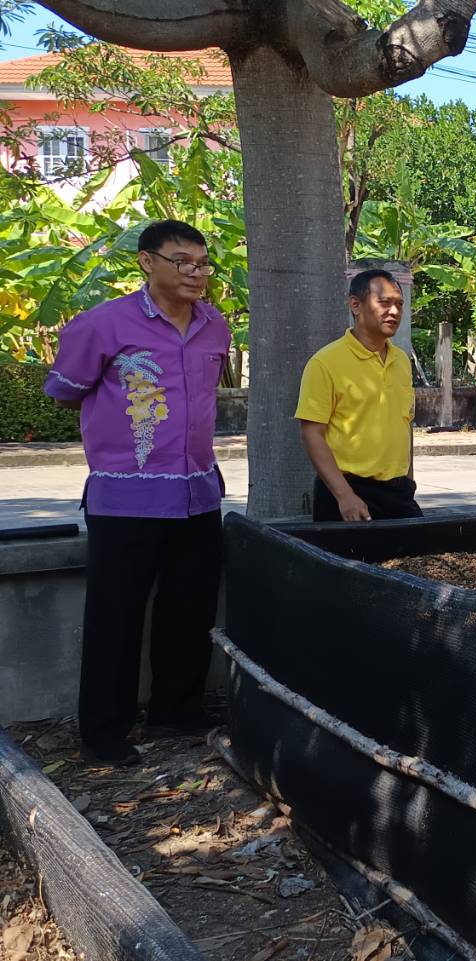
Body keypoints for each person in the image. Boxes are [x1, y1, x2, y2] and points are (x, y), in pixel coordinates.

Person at [42, 219, 230, 766]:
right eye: (183, 262)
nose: (196, 273)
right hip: (125, 501)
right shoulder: (101, 326)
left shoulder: (214, 325)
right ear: (147, 262)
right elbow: (66, 393)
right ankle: (103, 735)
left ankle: (176, 711)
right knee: (115, 617)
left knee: (189, 609)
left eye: (202, 263)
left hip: (198, 494)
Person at [295, 268, 422, 522]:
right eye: (384, 303)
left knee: (414, 559)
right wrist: (344, 496)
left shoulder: (401, 360)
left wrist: (408, 480)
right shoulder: (325, 362)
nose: (395, 312)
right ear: (356, 305)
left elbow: (404, 423)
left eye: (399, 304)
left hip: (398, 494)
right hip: (346, 492)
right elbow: (312, 433)